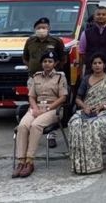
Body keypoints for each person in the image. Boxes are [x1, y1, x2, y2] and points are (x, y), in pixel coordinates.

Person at [13, 51, 68, 178]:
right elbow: (31, 96)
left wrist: (47, 108)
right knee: (22, 126)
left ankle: (29, 161)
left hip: (52, 109)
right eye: (45, 61)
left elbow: (63, 98)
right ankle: (21, 161)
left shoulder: (60, 77)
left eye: (50, 61)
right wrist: (35, 108)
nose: (47, 64)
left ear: (55, 63)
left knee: (35, 125)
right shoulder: (36, 76)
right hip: (36, 107)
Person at [68, 55, 106, 174]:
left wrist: (103, 107)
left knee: (94, 124)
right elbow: (78, 98)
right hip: (87, 109)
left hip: (105, 110)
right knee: (75, 123)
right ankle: (81, 163)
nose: (97, 65)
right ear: (91, 66)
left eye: (100, 63)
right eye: (94, 63)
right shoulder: (86, 79)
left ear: (104, 65)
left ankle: (95, 163)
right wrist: (85, 107)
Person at [22, 17, 66, 147]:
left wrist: (52, 72)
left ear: (49, 29)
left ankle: (51, 134)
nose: (42, 30)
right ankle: (32, 130)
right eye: (39, 28)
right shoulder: (30, 41)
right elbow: (25, 58)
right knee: (34, 103)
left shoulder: (56, 41)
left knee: (53, 105)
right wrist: (34, 69)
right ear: (35, 29)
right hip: (34, 78)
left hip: (53, 79)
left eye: (44, 27)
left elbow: (63, 59)